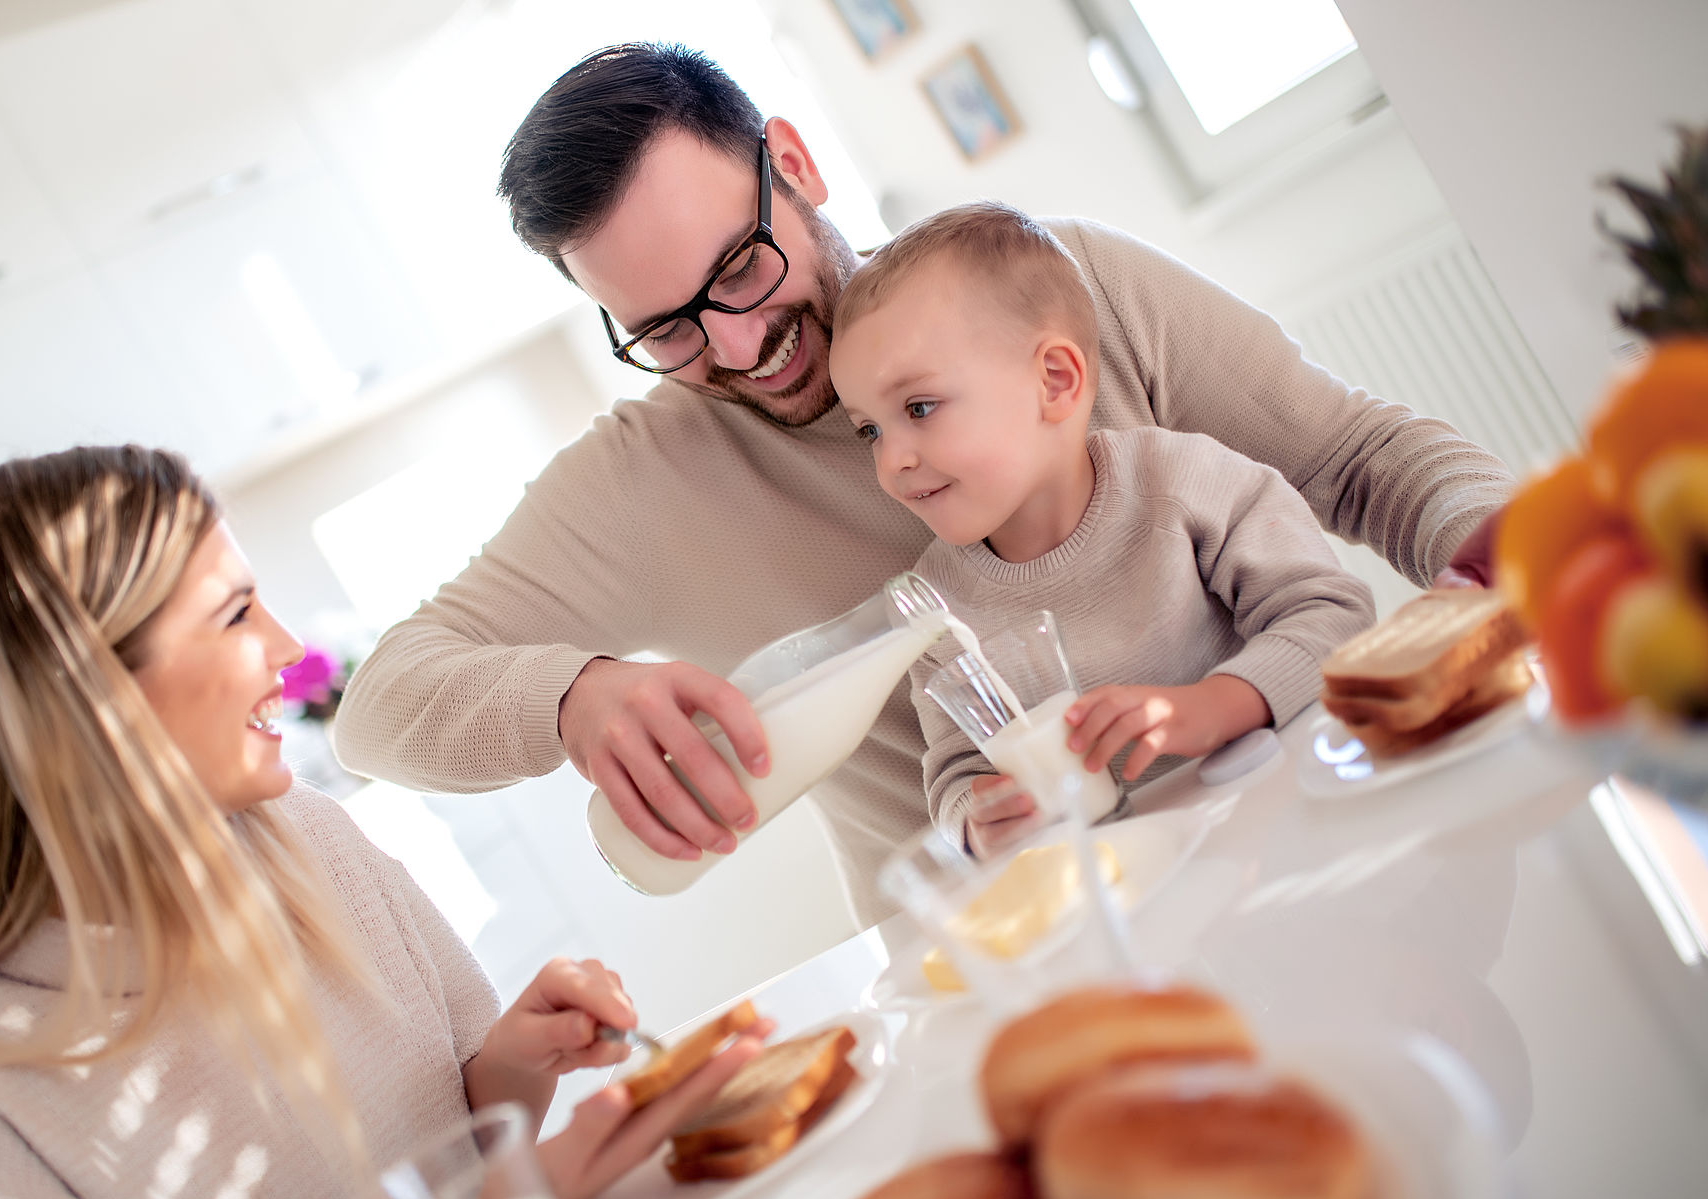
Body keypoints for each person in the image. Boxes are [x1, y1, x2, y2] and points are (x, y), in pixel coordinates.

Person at [333, 44, 1513, 925]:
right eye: (669, 329)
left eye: (741, 269)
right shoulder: (639, 484)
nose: (739, 350)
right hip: (1018, 965)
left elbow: (1361, 458)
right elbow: (379, 709)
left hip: (1296, 852)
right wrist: (571, 697)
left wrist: (1527, 552)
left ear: (791, 164)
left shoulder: (1058, 285)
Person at [0, 446, 768, 1199]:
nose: (291, 651)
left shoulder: (309, 835)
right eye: (234, 614)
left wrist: (519, 1061)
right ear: (89, 697)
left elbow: (460, 1144)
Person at [829, 202, 1376, 851]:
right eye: (869, 430)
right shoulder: (935, 608)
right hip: (1144, 898)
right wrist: (974, 822)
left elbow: (1335, 619)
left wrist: (1213, 707)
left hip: (1300, 832)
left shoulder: (1184, 482)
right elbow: (955, 770)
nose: (891, 462)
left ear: (1055, 381)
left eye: (919, 408)